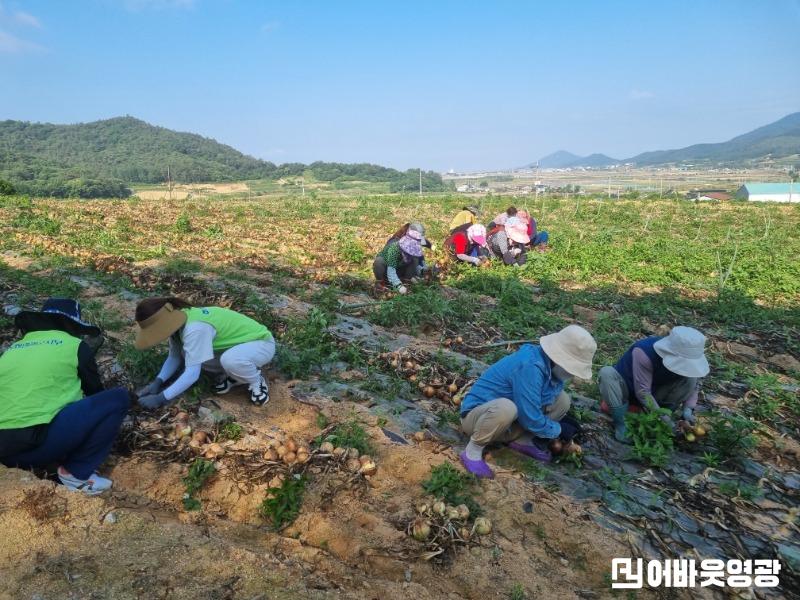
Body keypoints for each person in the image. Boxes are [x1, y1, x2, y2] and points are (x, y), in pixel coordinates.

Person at [0, 299, 130, 495]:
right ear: (73, 325)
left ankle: (52, 462)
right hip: (37, 447)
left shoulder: (13, 349)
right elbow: (95, 393)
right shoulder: (74, 345)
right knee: (117, 399)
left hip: (4, 454)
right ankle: (76, 473)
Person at [458, 325, 597, 478]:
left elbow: (541, 402)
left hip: (509, 425)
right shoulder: (530, 366)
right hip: (478, 421)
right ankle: (473, 450)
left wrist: (561, 423)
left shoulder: (551, 370)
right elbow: (529, 416)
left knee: (562, 400)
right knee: (507, 408)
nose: (571, 374)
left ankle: (523, 441)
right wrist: (558, 429)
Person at [134, 298, 275, 408]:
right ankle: (237, 376)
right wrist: (158, 381)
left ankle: (256, 380)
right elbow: (174, 357)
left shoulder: (194, 328)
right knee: (189, 355)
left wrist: (161, 398)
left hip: (261, 344)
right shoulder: (178, 324)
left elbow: (192, 374)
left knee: (230, 360)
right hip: (237, 346)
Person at [597, 326, 709, 442]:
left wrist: (688, 409)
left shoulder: (691, 360)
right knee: (606, 373)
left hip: (657, 396)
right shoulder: (644, 351)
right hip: (628, 390)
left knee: (690, 379)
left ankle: (662, 417)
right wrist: (663, 417)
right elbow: (643, 392)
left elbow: (693, 386)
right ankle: (621, 423)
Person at [373, 226, 426, 294]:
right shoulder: (394, 248)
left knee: (414, 259)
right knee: (379, 261)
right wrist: (399, 287)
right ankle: (381, 284)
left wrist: (423, 272)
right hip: (388, 270)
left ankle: (407, 283)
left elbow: (419, 264)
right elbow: (391, 271)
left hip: (401, 270)